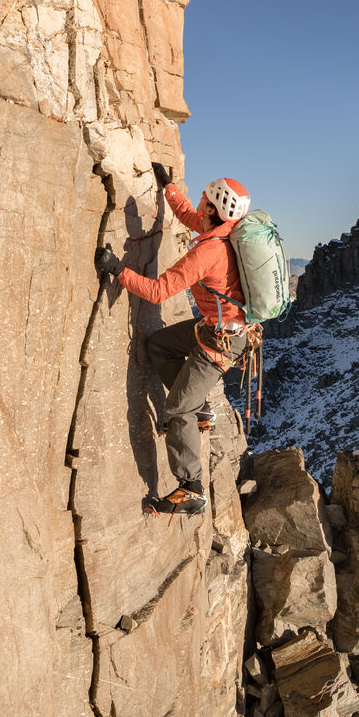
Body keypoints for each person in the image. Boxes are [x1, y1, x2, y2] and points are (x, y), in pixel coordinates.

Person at [96, 164, 251, 515]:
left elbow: (158, 291)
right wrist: (168, 189)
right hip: (216, 329)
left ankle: (191, 488)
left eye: (204, 199)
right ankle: (202, 410)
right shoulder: (225, 232)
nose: (199, 202)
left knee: (178, 408)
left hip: (220, 342)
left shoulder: (208, 252)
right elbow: (189, 217)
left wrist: (118, 270)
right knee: (159, 346)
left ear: (213, 209)